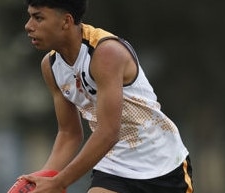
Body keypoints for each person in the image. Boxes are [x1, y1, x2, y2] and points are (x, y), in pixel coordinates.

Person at [21, 0, 193, 193]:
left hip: (165, 167)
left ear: (66, 21)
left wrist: (60, 182)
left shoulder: (106, 52)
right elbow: (69, 134)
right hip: (114, 168)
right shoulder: (50, 67)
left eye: (38, 17)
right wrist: (43, 179)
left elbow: (109, 132)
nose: (29, 26)